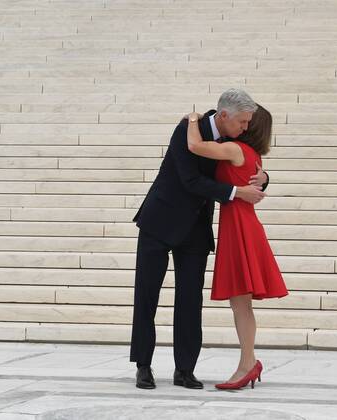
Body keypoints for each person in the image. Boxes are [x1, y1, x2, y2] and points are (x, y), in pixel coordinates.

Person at [130, 89, 270, 390]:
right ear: (224, 116)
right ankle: (143, 365)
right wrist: (236, 193)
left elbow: (248, 164)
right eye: (242, 123)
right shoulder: (187, 129)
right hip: (160, 220)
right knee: (146, 296)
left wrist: (264, 179)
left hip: (196, 228)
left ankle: (185, 370)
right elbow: (191, 180)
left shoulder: (235, 138)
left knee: (190, 300)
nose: (245, 129)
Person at [186, 104, 288, 390]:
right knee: (240, 302)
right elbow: (256, 177)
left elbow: (194, 145)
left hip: (240, 225)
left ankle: (247, 362)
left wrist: (194, 118)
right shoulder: (251, 154)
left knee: (240, 302)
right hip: (240, 223)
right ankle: (248, 361)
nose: (241, 123)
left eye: (246, 120)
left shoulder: (234, 149)